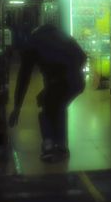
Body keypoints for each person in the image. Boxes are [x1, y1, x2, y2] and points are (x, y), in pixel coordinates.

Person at [9, 23, 87, 162]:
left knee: (48, 107)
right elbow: (82, 57)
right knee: (57, 105)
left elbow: (24, 77)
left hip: (61, 82)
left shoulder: (33, 42)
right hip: (77, 81)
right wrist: (68, 74)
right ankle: (60, 145)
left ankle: (49, 146)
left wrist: (17, 106)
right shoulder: (62, 35)